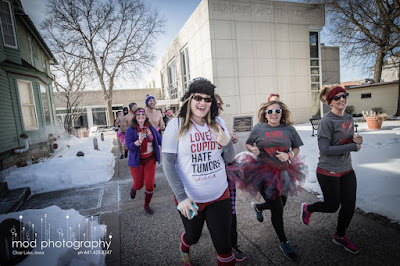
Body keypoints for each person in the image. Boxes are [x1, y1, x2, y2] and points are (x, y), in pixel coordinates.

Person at [162, 78, 236, 266]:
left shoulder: (218, 122)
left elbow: (229, 159)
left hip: (220, 194)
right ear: (189, 100)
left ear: (212, 103)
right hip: (190, 198)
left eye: (207, 99)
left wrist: (226, 142)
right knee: (193, 236)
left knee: (225, 246)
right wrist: (182, 196)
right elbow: (168, 163)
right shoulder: (176, 125)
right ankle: (185, 245)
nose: (202, 102)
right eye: (198, 97)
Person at [227, 100, 305, 261]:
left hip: (284, 172)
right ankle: (284, 242)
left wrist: (289, 155)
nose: (274, 114)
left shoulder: (289, 130)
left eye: (277, 111)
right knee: (278, 209)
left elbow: (296, 147)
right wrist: (253, 149)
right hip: (263, 173)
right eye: (270, 112)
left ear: (282, 113)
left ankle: (259, 207)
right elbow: (248, 144)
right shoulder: (259, 128)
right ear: (265, 114)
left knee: (281, 203)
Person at [300, 85, 362, 254]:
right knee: (332, 206)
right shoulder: (326, 121)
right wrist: (352, 147)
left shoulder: (349, 118)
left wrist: (357, 141)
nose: (342, 99)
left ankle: (339, 236)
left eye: (344, 96)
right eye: (337, 97)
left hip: (347, 169)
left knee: (349, 207)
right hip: (328, 172)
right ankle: (308, 208)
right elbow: (325, 149)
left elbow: (348, 141)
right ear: (330, 102)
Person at [214, 93, 246, 261]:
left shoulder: (221, 122)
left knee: (231, 210)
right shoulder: (197, 125)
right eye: (214, 103)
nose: (218, 107)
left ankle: (232, 246)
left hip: (227, 172)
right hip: (209, 177)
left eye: (219, 104)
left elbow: (228, 153)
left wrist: (230, 140)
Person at [125, 107, 162, 214]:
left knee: (150, 185)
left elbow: (159, 139)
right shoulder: (130, 130)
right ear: (135, 117)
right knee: (139, 185)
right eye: (138, 116)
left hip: (150, 159)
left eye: (143, 115)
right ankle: (134, 187)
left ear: (145, 117)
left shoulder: (150, 128)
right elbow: (129, 146)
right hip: (137, 161)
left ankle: (147, 205)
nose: (141, 117)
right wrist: (138, 142)